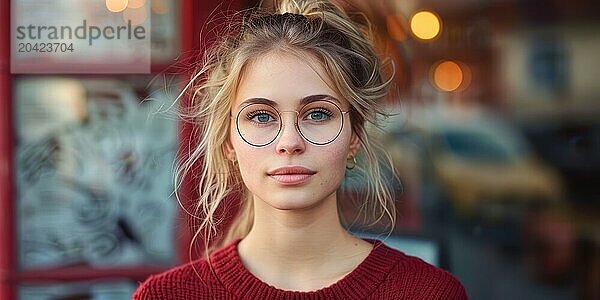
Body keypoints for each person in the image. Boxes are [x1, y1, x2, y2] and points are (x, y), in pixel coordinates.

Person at [134, 0, 467, 299]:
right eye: (261, 116)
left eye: (318, 113)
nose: (290, 142)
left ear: (354, 135)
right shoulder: (167, 295)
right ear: (228, 142)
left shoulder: (427, 292)